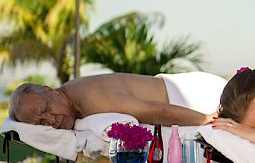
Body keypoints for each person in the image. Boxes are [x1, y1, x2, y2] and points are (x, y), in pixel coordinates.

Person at [9, 72, 224, 130]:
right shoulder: (73, 103)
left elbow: (159, 111)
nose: (51, 121)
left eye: (46, 109)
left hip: (196, 98)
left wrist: (207, 119)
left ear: (51, 91)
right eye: (40, 124)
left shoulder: (92, 99)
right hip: (182, 98)